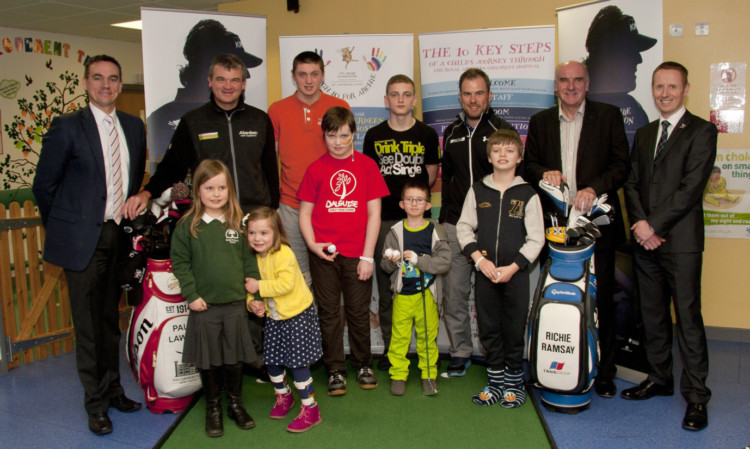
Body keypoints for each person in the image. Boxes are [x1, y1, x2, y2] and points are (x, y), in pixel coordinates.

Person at [32, 55, 145, 436]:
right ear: (85, 83)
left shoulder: (133, 126)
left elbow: (132, 181)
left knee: (111, 321)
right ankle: (95, 405)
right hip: (82, 239)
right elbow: (44, 187)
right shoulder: (66, 128)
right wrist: (67, 228)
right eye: (98, 78)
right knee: (88, 327)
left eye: (113, 79)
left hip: (118, 235)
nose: (106, 85)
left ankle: (114, 391)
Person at [522, 60, 630, 398]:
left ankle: (606, 370)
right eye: (564, 80)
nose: (571, 86)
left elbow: (621, 166)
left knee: (603, 300)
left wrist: (594, 188)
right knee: (556, 298)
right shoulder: (540, 122)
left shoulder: (609, 116)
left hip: (596, 226)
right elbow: (528, 166)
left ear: (587, 83)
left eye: (577, 80)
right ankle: (554, 364)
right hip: (555, 229)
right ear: (555, 86)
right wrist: (545, 174)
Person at [623, 61, 716, 432]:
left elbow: (691, 188)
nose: (664, 94)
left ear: (686, 89)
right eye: (659, 87)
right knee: (653, 316)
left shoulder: (703, 131)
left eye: (672, 87)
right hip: (647, 243)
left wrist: (653, 226)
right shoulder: (644, 134)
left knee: (688, 320)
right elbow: (631, 183)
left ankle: (696, 396)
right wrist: (642, 226)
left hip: (681, 244)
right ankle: (660, 379)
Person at [298, 106, 389, 395]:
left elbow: (374, 214)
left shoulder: (367, 166)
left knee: (358, 312)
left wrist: (367, 256)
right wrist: (314, 245)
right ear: (323, 135)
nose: (338, 141)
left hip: (357, 254)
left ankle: (363, 364)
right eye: (332, 135)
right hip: (324, 254)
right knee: (328, 313)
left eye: (345, 135)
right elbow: (304, 214)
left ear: (354, 134)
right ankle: (335, 369)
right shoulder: (315, 169)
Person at [124, 53, 278, 219]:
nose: (228, 86)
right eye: (221, 79)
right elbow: (171, 168)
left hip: (255, 217)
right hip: (212, 217)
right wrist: (147, 193)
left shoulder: (259, 120)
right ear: (210, 81)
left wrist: (273, 208)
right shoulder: (193, 121)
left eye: (234, 80)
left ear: (243, 84)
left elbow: (270, 170)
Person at [170, 159, 260, 437]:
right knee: (208, 360)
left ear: (229, 190)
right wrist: (192, 294)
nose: (216, 193)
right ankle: (213, 408)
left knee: (233, 359)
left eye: (222, 187)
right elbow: (180, 263)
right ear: (198, 190)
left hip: (234, 304)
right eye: (210, 188)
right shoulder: (188, 227)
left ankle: (234, 403)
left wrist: (253, 291)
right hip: (204, 306)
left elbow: (249, 261)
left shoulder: (239, 225)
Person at [457, 129, 544, 407]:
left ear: (519, 157)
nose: (502, 155)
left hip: (515, 276)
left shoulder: (528, 194)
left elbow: (536, 238)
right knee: (489, 327)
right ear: (489, 156)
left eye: (509, 150)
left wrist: (514, 267)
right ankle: (495, 380)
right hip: (485, 274)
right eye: (497, 150)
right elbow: (464, 227)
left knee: (514, 328)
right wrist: (480, 261)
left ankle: (514, 381)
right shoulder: (478, 190)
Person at [439, 68, 517, 377]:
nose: (473, 99)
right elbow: (449, 178)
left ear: (489, 96)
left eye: (479, 93)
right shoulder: (451, 132)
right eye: (468, 93)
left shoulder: (501, 130)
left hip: (492, 228)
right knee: (454, 295)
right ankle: (460, 352)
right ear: (460, 97)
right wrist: (445, 215)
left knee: (491, 299)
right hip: (457, 226)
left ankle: (494, 354)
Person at [363, 74, 440, 371]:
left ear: (414, 100)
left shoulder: (427, 135)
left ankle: (424, 351)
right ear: (386, 100)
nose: (400, 99)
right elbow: (370, 181)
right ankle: (391, 350)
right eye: (394, 94)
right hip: (383, 221)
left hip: (418, 221)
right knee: (389, 287)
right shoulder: (374, 136)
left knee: (422, 283)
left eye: (406, 94)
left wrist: (414, 206)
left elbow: (431, 176)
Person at [269, 51, 350, 286]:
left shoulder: (339, 106)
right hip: (292, 206)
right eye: (302, 74)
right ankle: (305, 324)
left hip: (331, 207)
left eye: (314, 74)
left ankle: (329, 324)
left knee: (331, 277)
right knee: (298, 277)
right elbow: (270, 158)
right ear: (293, 76)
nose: (308, 80)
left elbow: (347, 154)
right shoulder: (277, 110)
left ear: (322, 75)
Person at [244, 207, 324, 433]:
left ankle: (311, 409)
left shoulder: (284, 253)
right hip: (275, 317)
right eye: (252, 233)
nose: (257, 239)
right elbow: (250, 285)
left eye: (263, 233)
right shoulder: (252, 258)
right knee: (272, 361)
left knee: (298, 364)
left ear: (276, 233)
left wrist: (259, 287)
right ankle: (284, 396)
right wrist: (252, 301)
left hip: (297, 314)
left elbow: (284, 285)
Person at [147, 19, 263, 161]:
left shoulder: (258, 120)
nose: (229, 84)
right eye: (224, 75)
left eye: (236, 76)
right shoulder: (167, 120)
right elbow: (168, 173)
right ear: (208, 75)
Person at [380, 181, 450, 396]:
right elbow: (384, 266)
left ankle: (428, 375)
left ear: (428, 205)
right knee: (399, 337)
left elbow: (445, 262)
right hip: (402, 295)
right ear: (402, 204)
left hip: (427, 295)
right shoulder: (395, 231)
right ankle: (398, 375)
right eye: (409, 199)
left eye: (419, 200)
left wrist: (420, 260)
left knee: (427, 338)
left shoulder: (435, 229)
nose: (414, 203)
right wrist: (392, 260)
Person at [584, 5, 657, 147]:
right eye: (630, 51)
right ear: (609, 56)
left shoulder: (634, 107)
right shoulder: (578, 107)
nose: (639, 59)